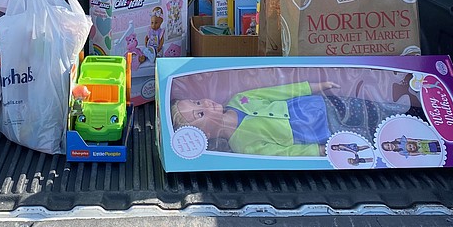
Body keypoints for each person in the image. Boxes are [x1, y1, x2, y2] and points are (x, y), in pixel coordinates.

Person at [171, 72, 422, 159]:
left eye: (197, 102)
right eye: (199, 113)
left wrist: (313, 87)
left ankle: (411, 111)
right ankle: (412, 136)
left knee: (369, 109)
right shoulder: (243, 145)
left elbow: (276, 92)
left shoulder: (238, 100)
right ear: (204, 134)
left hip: (317, 105)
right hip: (319, 132)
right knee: (366, 133)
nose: (205, 104)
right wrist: (318, 151)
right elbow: (284, 154)